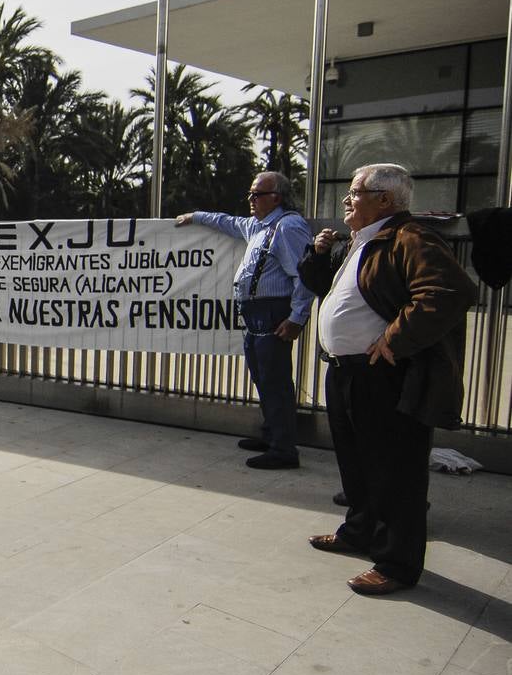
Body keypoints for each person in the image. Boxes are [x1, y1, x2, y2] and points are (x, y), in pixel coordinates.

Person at [300, 164, 477, 596]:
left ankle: (398, 563)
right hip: (347, 372)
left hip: (384, 375)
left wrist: (396, 340)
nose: (347, 199)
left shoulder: (409, 237)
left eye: (356, 192)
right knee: (357, 463)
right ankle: (360, 532)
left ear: (385, 199)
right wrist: (320, 255)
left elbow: (449, 292)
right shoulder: (363, 241)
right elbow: (326, 288)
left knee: (397, 472)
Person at [175, 172, 313, 469]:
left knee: (274, 380)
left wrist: (297, 317)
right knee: (262, 377)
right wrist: (195, 216)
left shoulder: (288, 227)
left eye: (257, 195)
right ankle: (272, 434)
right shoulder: (258, 227)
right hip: (255, 313)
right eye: (250, 195)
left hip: (273, 311)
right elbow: (227, 221)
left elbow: (303, 275)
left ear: (276, 197)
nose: (251, 200)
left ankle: (284, 448)